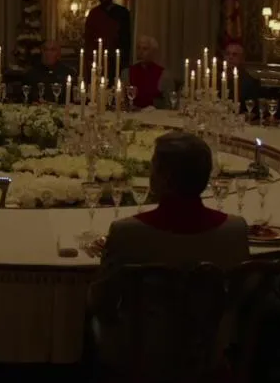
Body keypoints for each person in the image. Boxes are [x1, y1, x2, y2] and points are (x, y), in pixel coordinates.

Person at [91, 131, 250, 366]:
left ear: (163, 178)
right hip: (211, 353)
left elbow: (102, 302)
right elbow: (242, 299)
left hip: (142, 357)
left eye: (153, 167)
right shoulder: (235, 230)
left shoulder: (128, 232)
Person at [82, 0, 132, 77]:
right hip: (97, 58)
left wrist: (123, 59)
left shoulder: (122, 12)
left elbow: (126, 39)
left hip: (116, 58)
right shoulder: (94, 14)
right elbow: (88, 38)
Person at [120, 35, 175, 109]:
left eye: (145, 49)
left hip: (155, 114)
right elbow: (122, 100)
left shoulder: (164, 75)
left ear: (153, 52)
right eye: (138, 48)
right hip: (132, 113)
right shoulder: (127, 72)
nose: (140, 52)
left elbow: (169, 104)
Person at [222, 38, 261, 106]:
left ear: (242, 58)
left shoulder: (250, 83)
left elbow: (251, 107)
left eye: (234, 54)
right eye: (227, 54)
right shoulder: (217, 78)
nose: (230, 57)